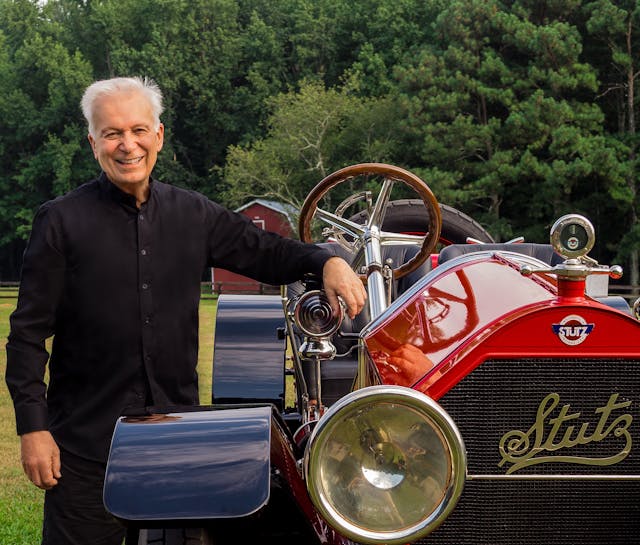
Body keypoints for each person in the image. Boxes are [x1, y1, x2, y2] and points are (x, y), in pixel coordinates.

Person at [5, 76, 366, 545]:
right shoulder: (61, 222)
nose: (126, 145)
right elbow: (27, 337)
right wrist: (34, 430)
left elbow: (267, 252)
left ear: (158, 135)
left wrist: (327, 259)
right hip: (89, 448)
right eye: (112, 133)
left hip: (178, 445)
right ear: (93, 142)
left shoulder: (193, 214)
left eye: (138, 130)